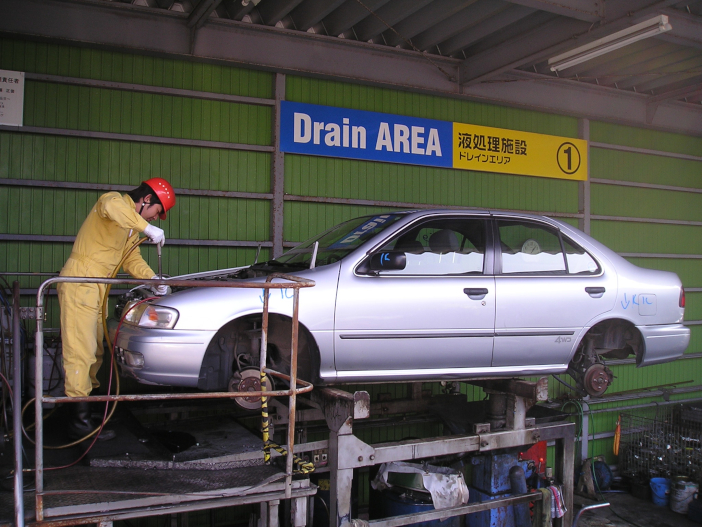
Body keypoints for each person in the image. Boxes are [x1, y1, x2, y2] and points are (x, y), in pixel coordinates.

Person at [57, 178, 176, 441]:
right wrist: (146, 227)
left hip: (97, 287)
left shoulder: (130, 229)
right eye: (156, 212)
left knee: (96, 350)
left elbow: (131, 259)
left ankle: (86, 410)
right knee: (81, 350)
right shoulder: (111, 202)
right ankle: (77, 420)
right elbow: (115, 210)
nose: (156, 218)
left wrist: (152, 279)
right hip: (81, 281)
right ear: (146, 200)